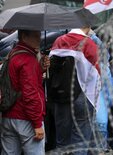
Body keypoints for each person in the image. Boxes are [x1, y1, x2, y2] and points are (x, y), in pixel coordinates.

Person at [49, 26, 100, 155]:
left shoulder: (58, 41)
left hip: (60, 96)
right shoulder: (89, 43)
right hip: (83, 96)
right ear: (87, 27)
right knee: (80, 143)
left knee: (62, 142)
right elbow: (97, 73)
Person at [1, 30, 48, 155]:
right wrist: (37, 123)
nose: (39, 39)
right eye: (36, 36)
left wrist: (40, 69)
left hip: (8, 115)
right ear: (24, 36)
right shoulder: (28, 59)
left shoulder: (13, 54)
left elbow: (16, 83)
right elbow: (30, 94)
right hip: (26, 118)